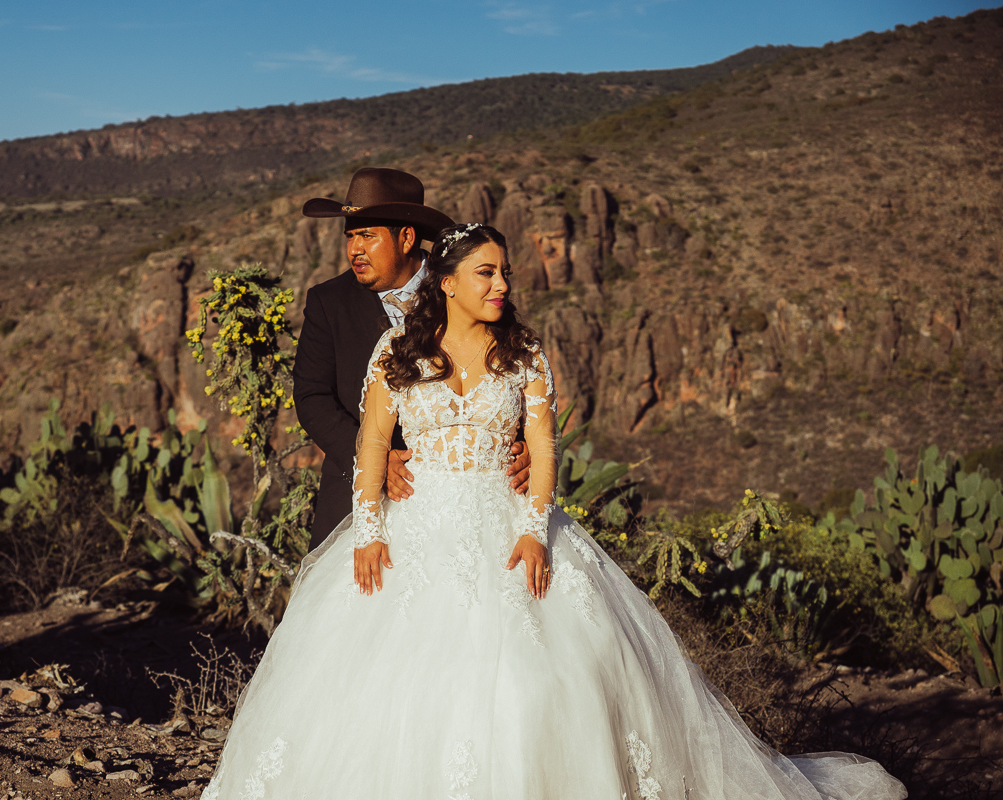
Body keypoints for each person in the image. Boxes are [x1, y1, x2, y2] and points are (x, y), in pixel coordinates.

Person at [203, 224, 907, 800]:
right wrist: (370, 530)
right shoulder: (397, 353)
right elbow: (372, 443)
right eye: (486, 273)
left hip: (507, 524)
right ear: (445, 282)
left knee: (534, 682)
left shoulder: (525, 354)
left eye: (505, 273)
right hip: (414, 529)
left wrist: (535, 534)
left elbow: (544, 446)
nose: (502, 285)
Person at [293, 167, 531, 556]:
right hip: (359, 498)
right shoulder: (328, 302)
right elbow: (312, 396)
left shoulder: (466, 287)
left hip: (472, 501)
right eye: (350, 236)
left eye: (367, 236)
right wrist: (370, 459)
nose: (355, 249)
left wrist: (525, 446)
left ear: (405, 238)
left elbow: (513, 373)